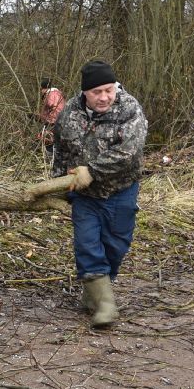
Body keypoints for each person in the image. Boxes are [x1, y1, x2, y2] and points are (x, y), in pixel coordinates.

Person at [51, 60, 148, 327]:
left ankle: (94, 290)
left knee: (116, 244)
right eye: (97, 92)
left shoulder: (129, 108)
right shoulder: (68, 112)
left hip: (121, 190)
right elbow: (60, 150)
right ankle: (106, 305)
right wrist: (59, 184)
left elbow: (129, 152)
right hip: (86, 195)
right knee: (87, 243)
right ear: (85, 93)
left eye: (109, 90)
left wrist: (92, 170)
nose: (104, 97)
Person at [36, 78, 66, 172]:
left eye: (41, 89)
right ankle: (53, 162)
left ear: (43, 88)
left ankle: (52, 163)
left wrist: (46, 119)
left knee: (47, 139)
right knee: (52, 140)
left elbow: (54, 107)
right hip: (59, 121)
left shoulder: (51, 95)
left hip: (54, 121)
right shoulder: (57, 93)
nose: (41, 91)